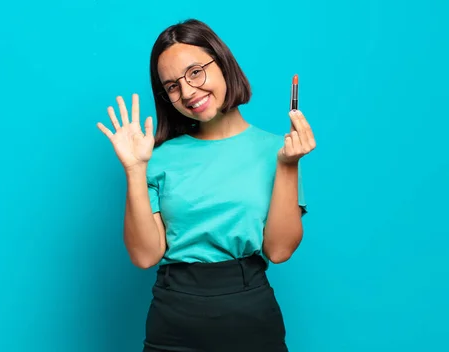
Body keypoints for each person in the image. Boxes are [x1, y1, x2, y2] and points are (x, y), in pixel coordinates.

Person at [97, 18, 316, 352]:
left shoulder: (279, 151)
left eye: (195, 72)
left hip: (250, 315)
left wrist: (287, 165)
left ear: (222, 62)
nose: (187, 92)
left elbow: (279, 250)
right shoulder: (157, 158)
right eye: (172, 86)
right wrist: (135, 170)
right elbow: (144, 256)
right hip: (173, 319)